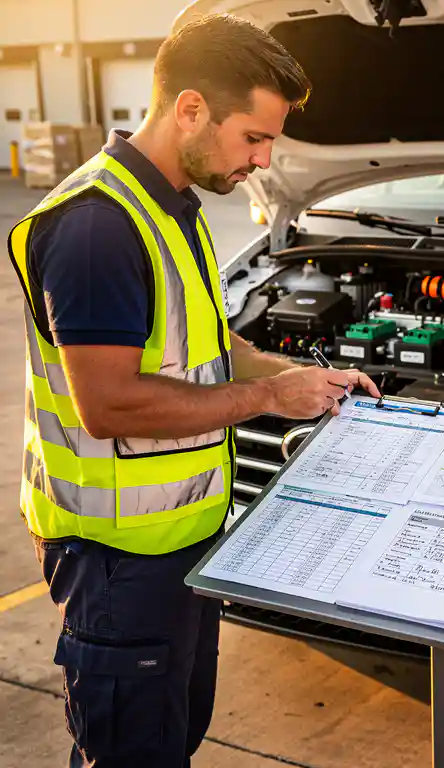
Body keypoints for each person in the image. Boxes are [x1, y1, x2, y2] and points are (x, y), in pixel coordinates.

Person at [6, 13, 380, 768]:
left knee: (172, 739)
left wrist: (295, 377)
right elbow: (108, 404)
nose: (264, 158)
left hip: (178, 547)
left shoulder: (173, 207)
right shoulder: (97, 229)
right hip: (116, 563)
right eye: (253, 136)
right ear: (189, 109)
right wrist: (274, 403)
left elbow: (214, 352)